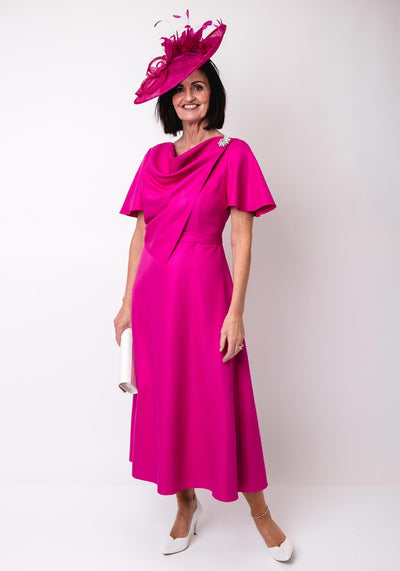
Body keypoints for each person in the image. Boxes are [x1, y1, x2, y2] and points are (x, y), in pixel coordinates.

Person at [113, 11, 294, 562]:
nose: (188, 97)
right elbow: (141, 235)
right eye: (179, 90)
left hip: (206, 292)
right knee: (167, 397)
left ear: (212, 94)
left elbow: (241, 238)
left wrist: (235, 312)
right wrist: (125, 304)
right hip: (154, 300)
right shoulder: (153, 159)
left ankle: (260, 513)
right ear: (168, 101)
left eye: (197, 87)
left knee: (222, 396)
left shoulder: (233, 153)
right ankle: (185, 504)